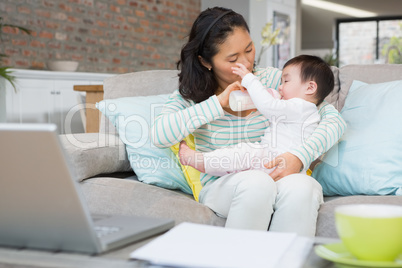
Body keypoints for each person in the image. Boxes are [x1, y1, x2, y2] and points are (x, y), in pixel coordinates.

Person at [151, 7, 346, 237]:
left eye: (249, 49)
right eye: (233, 59)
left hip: (275, 174)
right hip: (222, 184)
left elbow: (334, 121)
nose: (246, 63)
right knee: (256, 183)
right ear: (206, 62)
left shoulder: (273, 80)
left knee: (303, 187)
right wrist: (216, 104)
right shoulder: (192, 95)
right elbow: (159, 136)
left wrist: (300, 156)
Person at [178, 55, 335, 177]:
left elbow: (269, 106)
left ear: (310, 87)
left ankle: (202, 161)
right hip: (280, 166)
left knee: (243, 152)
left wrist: (249, 80)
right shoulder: (305, 110)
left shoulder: (301, 107)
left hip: (273, 158)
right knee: (239, 161)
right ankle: (210, 165)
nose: (280, 87)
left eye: (286, 81)